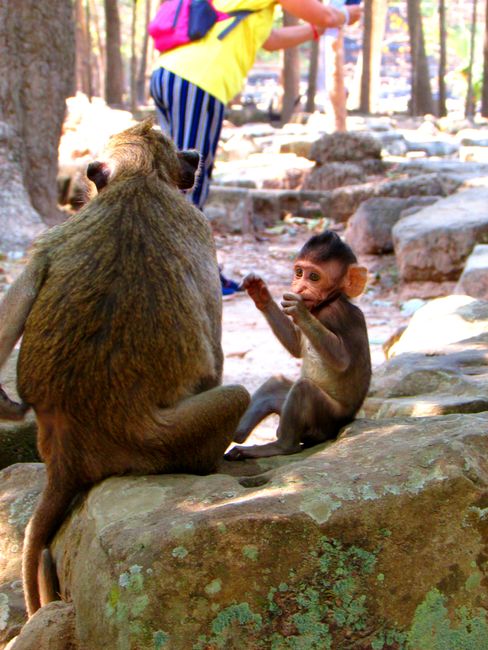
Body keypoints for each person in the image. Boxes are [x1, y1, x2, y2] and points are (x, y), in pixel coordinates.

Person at [150, 0, 362, 211]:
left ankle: (162, 235)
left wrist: (318, 29)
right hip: (198, 79)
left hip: (170, 74)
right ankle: (181, 239)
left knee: (174, 170)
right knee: (189, 176)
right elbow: (326, 15)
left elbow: (270, 39)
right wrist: (344, 15)